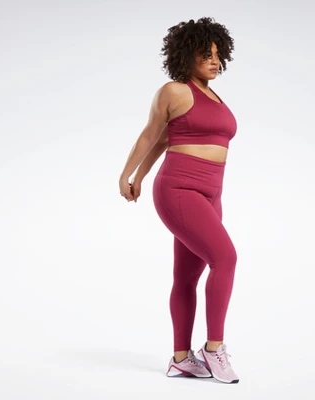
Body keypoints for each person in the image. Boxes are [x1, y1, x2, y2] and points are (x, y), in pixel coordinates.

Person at [119, 17, 239, 384]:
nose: (214, 61)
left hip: (212, 194)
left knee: (187, 276)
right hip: (179, 189)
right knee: (226, 258)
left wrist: (139, 176)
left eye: (218, 54)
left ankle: (181, 358)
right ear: (186, 54)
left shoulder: (214, 97)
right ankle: (214, 349)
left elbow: (166, 140)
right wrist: (130, 175)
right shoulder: (174, 91)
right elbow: (152, 137)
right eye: (206, 54)